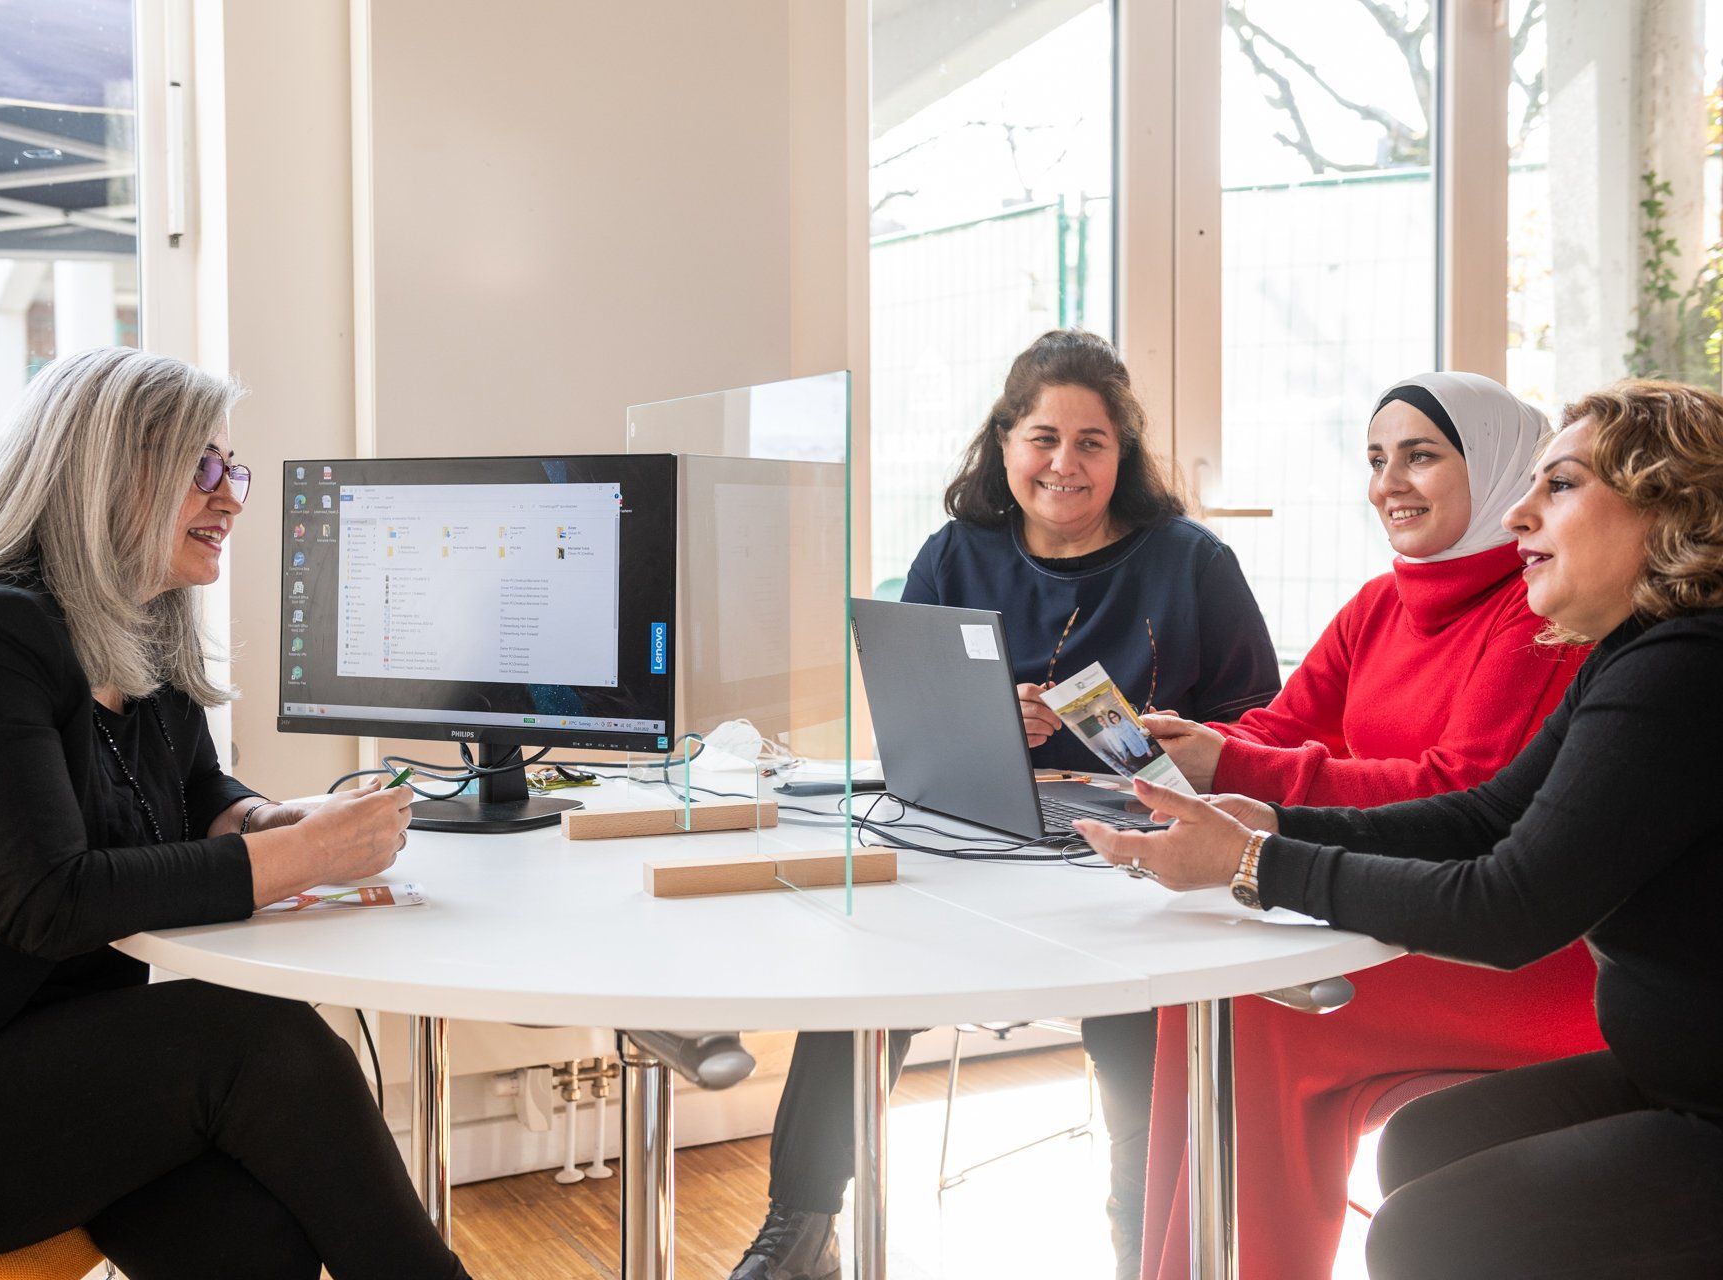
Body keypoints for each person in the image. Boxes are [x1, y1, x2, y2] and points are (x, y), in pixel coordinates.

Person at [0, 348, 473, 1280]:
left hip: (16, 1054)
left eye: (232, 469)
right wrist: (311, 856)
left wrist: (267, 820)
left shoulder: (139, 635)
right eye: (202, 467)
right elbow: (45, 899)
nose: (231, 497)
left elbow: (195, 791)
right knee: (256, 1039)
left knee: (250, 1229)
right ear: (97, 474)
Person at [1075, 378, 1723, 1280]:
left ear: (1669, 506)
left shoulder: (1686, 670)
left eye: (1562, 485)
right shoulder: (1633, 652)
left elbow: (1511, 906)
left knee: (1430, 1234)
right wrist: (1273, 820)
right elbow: (1485, 814)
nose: (1523, 513)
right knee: (1428, 1142)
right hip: (1675, 1070)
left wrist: (1256, 860)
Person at [728, 329, 1280, 1280]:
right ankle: (802, 1230)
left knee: (1139, 1030)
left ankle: (1143, 1245)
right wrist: (983, 725)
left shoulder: (1192, 563)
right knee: (863, 972)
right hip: (971, 846)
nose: (1065, 463)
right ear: (1005, 443)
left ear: (1123, 454)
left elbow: (1262, 728)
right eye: (1043, 438)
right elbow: (911, 727)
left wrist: (1192, 742)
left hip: (1135, 856)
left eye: (1092, 442)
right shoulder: (955, 553)